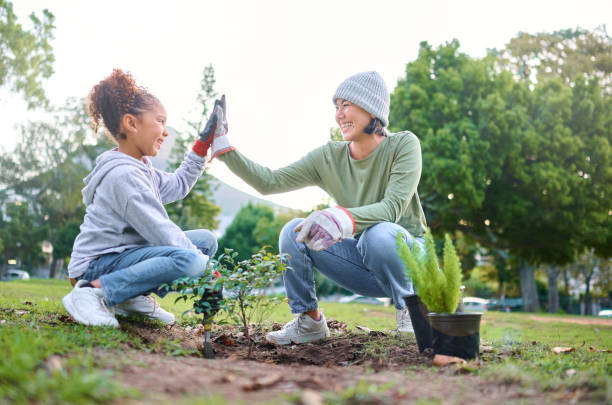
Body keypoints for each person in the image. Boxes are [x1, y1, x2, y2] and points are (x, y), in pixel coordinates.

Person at [206, 71, 427, 344]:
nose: (339, 114)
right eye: (336, 107)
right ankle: (309, 322)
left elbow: (392, 208)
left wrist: (338, 218)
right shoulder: (328, 157)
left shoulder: (404, 144)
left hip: (409, 261)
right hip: (364, 262)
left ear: (371, 109)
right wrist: (224, 148)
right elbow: (269, 182)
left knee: (378, 234)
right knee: (293, 232)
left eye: (346, 105)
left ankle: (412, 311)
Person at [62, 69, 220, 328]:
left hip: (121, 258)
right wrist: (206, 268)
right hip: (93, 269)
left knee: (205, 241)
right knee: (192, 258)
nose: (165, 131)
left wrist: (202, 146)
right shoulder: (124, 176)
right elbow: (161, 231)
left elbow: (179, 185)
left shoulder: (141, 168)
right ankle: (90, 293)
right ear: (131, 124)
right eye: (160, 121)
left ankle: (128, 297)